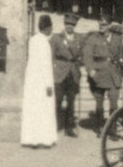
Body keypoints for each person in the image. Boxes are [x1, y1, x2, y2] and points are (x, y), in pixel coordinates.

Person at [21, 15, 58, 148]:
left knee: (33, 110)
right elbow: (45, 66)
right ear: (48, 28)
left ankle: (31, 139)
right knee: (44, 110)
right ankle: (44, 139)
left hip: (32, 81)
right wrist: (48, 84)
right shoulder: (44, 43)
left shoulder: (33, 40)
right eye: (51, 27)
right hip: (42, 82)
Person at [83, 17, 123, 132]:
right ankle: (100, 127)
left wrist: (122, 67)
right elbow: (87, 56)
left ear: (110, 25)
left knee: (114, 101)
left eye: (104, 25)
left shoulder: (117, 38)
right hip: (98, 74)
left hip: (113, 74)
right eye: (100, 24)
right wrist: (91, 70)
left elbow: (120, 55)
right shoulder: (92, 39)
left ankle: (113, 127)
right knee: (99, 103)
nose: (101, 26)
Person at [50, 13, 83, 137]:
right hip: (59, 73)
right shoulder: (56, 38)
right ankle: (56, 125)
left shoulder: (79, 38)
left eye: (72, 25)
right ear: (64, 24)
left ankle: (69, 127)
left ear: (75, 26)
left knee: (71, 101)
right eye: (67, 24)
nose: (69, 26)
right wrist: (52, 69)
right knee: (57, 100)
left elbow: (81, 54)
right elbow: (51, 56)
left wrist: (80, 62)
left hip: (73, 73)